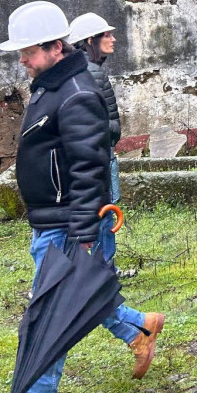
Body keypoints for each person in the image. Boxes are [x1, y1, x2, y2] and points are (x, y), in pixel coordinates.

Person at [0, 2, 164, 393]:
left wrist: (85, 232)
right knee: (77, 295)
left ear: (55, 47)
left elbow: (90, 168)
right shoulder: (51, 85)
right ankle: (141, 327)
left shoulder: (77, 93)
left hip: (70, 222)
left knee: (52, 307)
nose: (22, 59)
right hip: (54, 218)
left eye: (28, 51)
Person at [66, 13, 121, 263]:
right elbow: (99, 122)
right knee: (104, 213)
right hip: (99, 157)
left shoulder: (82, 69)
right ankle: (104, 271)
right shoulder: (92, 72)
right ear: (91, 40)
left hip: (92, 156)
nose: (113, 39)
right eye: (106, 35)